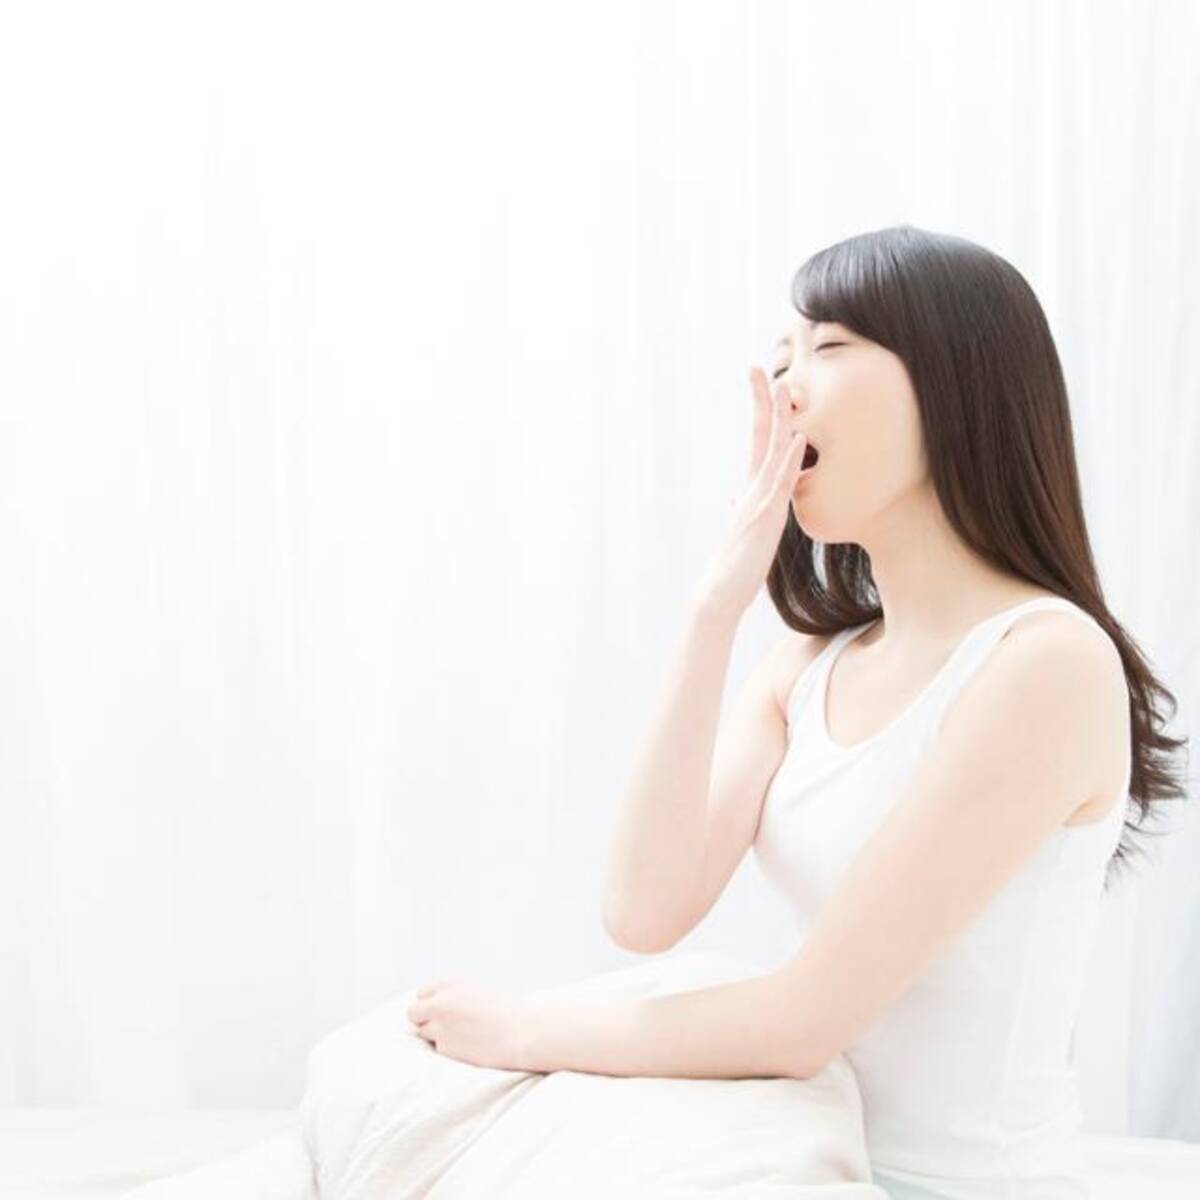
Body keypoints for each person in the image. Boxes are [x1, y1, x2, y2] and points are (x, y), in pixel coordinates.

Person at [603, 224, 1188, 1199]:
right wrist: (712, 612)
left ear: (958, 385)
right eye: (781, 357)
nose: (784, 390)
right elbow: (642, 911)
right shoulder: (808, 669)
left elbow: (799, 1025)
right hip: (818, 1161)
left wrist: (517, 1033)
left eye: (829, 348)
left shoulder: (1047, 663)